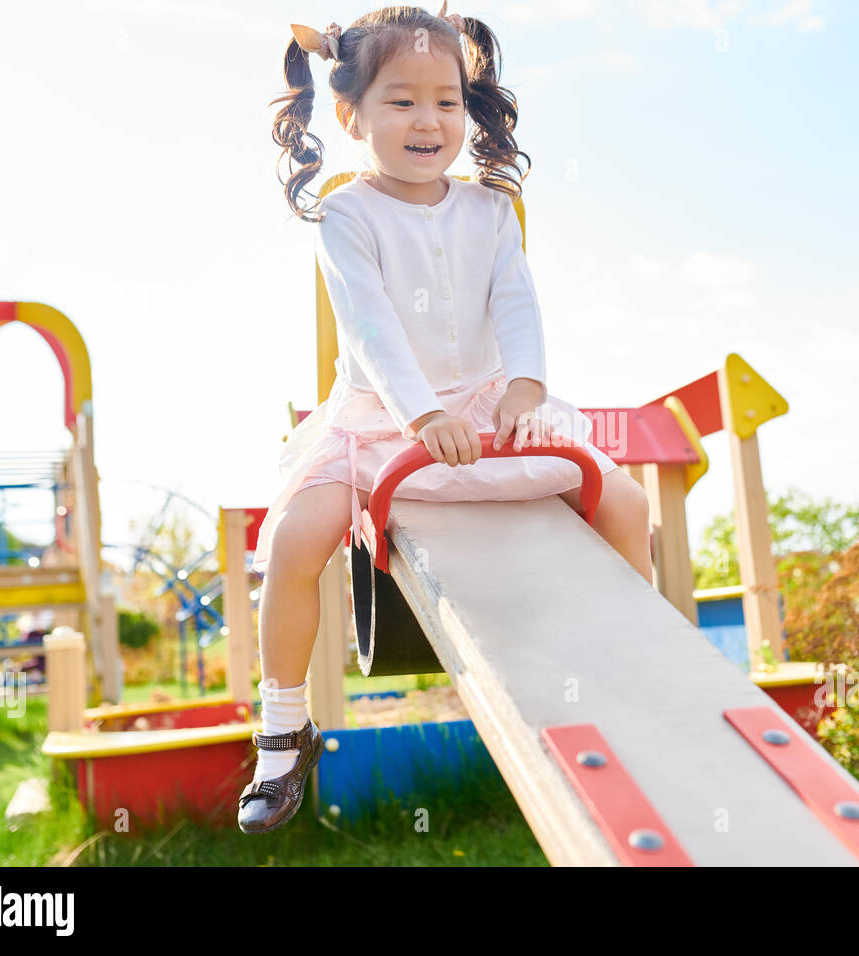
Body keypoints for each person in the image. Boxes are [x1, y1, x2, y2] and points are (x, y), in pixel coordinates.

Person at [240, 4, 652, 834]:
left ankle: (632, 673)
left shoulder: (490, 211)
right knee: (292, 538)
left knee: (626, 500)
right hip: (382, 418)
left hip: (488, 409)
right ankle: (284, 727)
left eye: (447, 100)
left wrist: (527, 390)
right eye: (402, 101)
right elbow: (370, 328)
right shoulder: (348, 215)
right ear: (352, 115)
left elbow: (517, 304)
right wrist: (420, 414)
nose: (429, 120)